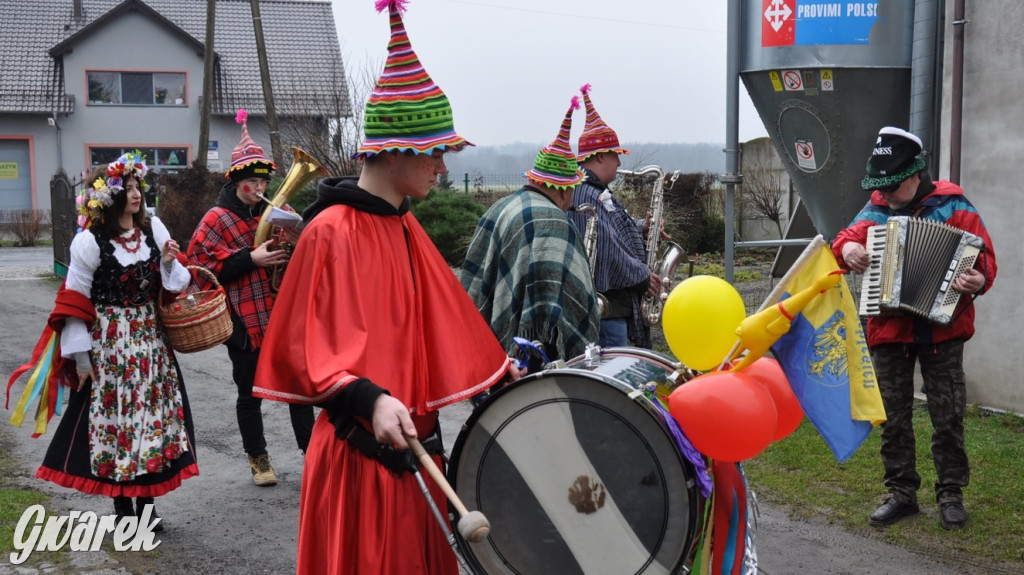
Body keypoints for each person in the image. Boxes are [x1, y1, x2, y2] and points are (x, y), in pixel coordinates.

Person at [250, 2, 520, 573]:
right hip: (360, 464)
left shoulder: (404, 225)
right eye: (437, 152)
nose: (443, 167)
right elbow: (302, 348)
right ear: (399, 149)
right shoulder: (329, 232)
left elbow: (448, 321)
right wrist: (367, 398)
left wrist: (499, 378)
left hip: (419, 456)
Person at [12, 152, 198, 530]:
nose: (135, 194)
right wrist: (81, 360)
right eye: (126, 188)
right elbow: (74, 302)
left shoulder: (153, 230)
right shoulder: (90, 241)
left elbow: (179, 282)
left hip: (150, 345)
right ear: (109, 196)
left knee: (150, 422)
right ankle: (122, 511)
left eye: (137, 187)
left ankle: (146, 509)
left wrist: (165, 263)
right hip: (111, 346)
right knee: (116, 423)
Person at [832, 126, 996, 530]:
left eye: (891, 186)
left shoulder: (955, 204)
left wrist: (978, 279)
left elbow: (984, 262)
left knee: (948, 415)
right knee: (892, 417)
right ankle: (901, 494)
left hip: (944, 333)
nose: (884, 194)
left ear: (913, 176)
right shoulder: (875, 209)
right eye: (880, 187)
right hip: (890, 333)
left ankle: (951, 494)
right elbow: (843, 241)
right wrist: (847, 249)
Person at [187, 110, 314, 487]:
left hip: (281, 313)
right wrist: (250, 258)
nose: (258, 188)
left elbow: (303, 253)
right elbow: (199, 269)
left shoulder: (276, 212)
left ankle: (312, 455)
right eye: (252, 182)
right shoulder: (215, 218)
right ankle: (258, 459)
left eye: (262, 180)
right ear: (237, 182)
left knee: (299, 390)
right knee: (250, 392)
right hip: (243, 323)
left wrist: (294, 244)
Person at [461, 96, 601, 366]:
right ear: (564, 188)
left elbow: (475, 280)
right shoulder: (555, 221)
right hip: (538, 364)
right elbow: (572, 305)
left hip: (495, 352)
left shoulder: (501, 207)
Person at [568, 83, 661, 349]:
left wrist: (644, 227)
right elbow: (606, 249)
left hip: (615, 310)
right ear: (599, 157)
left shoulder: (595, 191)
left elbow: (614, 229)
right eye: (615, 155)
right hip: (608, 312)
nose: (619, 163)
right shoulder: (586, 195)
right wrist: (643, 276)